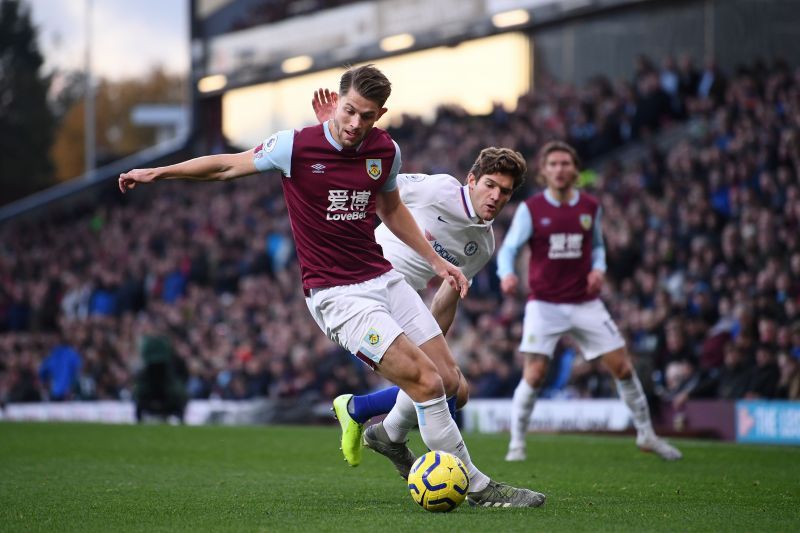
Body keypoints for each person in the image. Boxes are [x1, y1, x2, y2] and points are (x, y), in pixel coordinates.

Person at [119, 65, 544, 507]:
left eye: (367, 116)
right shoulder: (294, 146)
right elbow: (226, 166)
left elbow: (393, 209)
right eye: (348, 112)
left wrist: (439, 263)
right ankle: (476, 486)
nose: (355, 124)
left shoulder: (385, 151)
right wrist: (158, 172)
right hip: (338, 296)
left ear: (381, 115)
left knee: (451, 382)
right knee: (425, 381)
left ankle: (387, 436)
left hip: (385, 278)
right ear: (338, 102)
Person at [310, 89, 527, 471]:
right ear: (471, 179)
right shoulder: (437, 189)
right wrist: (333, 138)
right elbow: (376, 185)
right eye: (490, 185)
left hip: (403, 301)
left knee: (457, 391)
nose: (495, 196)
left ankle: (379, 426)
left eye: (505, 192)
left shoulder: (483, 245)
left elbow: (446, 296)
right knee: (440, 385)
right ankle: (368, 416)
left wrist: (433, 339)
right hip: (367, 285)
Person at [497, 140, 682, 461]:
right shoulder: (532, 209)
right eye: (553, 164)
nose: (559, 169)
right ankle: (517, 444)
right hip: (544, 304)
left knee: (623, 366)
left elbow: (597, 247)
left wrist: (599, 268)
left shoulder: (589, 208)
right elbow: (510, 248)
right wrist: (506, 274)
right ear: (543, 171)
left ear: (576, 170)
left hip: (585, 302)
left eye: (565, 163)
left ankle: (647, 435)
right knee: (535, 373)